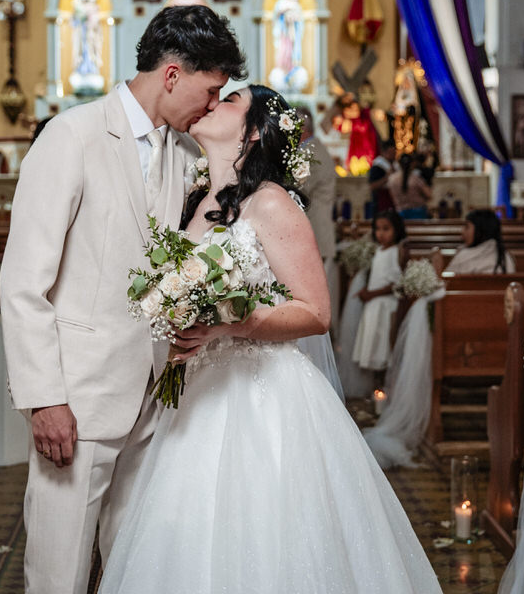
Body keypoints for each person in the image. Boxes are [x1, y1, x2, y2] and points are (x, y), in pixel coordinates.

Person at [98, 85, 442, 593]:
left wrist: (230, 323)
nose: (212, 102)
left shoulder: (271, 202)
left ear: (255, 131)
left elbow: (316, 312)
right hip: (196, 393)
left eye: (229, 100)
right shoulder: (195, 202)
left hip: (261, 395)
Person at [0, 4, 246, 594]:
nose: (212, 105)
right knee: (58, 573)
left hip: (154, 399)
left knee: (134, 569)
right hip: (78, 400)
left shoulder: (183, 155)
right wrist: (44, 398)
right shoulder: (72, 136)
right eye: (210, 90)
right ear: (172, 74)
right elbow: (23, 281)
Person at [293, 105, 343, 398]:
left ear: (302, 128)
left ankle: (317, 372)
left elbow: (298, 190)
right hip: (315, 234)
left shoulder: (313, 153)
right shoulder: (310, 150)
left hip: (318, 235)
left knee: (316, 302)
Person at [351, 210, 406, 371]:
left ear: (397, 229)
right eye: (378, 229)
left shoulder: (397, 251)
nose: (381, 233)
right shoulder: (378, 250)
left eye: (386, 229)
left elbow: (396, 283)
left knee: (383, 342)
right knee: (371, 339)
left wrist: (371, 294)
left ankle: (384, 378)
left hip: (385, 304)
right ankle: (376, 382)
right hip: (373, 304)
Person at [441, 209, 514, 274]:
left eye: (467, 227)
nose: (462, 232)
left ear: (480, 230)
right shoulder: (506, 257)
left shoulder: (464, 256)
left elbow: (447, 281)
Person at [388, 152, 432, 219]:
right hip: (418, 212)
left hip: (400, 212)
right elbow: (428, 195)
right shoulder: (415, 178)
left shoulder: (392, 179)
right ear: (412, 164)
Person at [369, 138, 398, 214]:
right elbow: (372, 186)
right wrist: (387, 177)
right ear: (384, 152)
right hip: (382, 201)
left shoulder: (396, 164)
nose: (393, 155)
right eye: (390, 153)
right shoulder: (377, 166)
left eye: (394, 153)